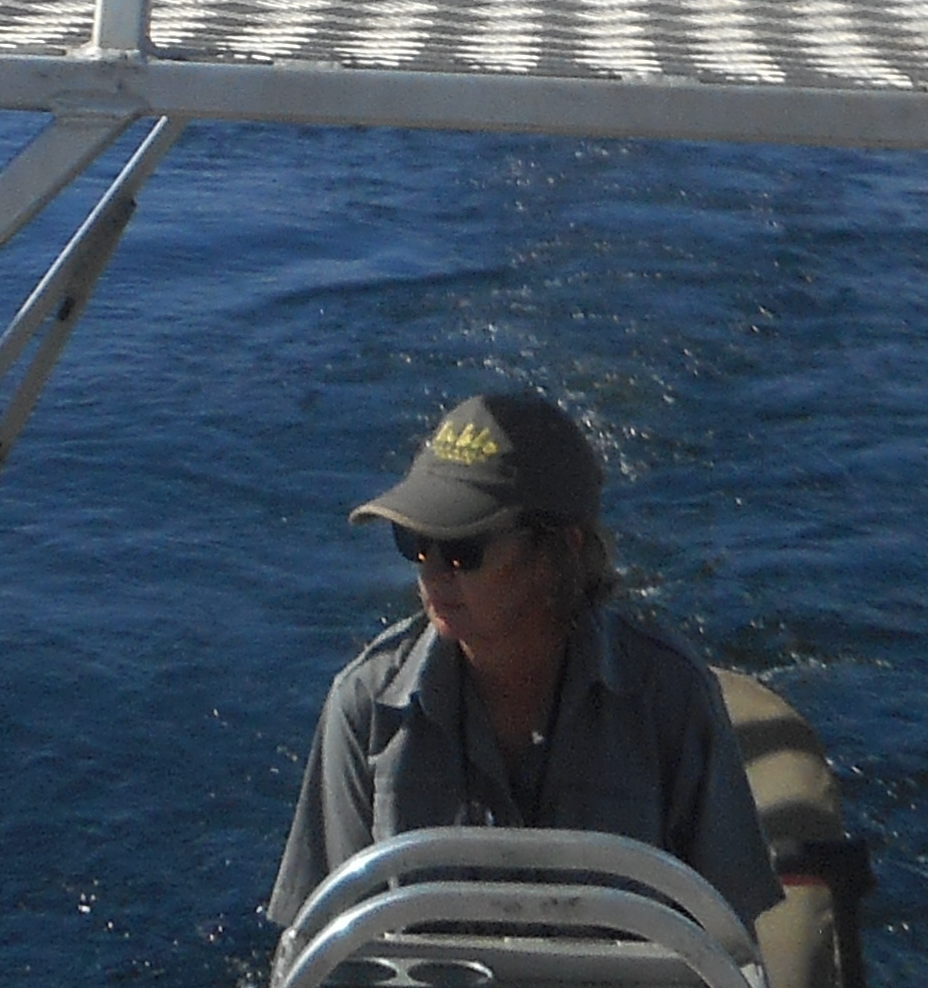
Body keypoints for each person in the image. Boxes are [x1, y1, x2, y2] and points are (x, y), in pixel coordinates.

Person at [266, 388, 780, 947]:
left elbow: (729, 946)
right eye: (413, 541)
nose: (431, 570)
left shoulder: (671, 700)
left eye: (463, 549)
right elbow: (325, 950)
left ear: (558, 552)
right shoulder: (363, 709)